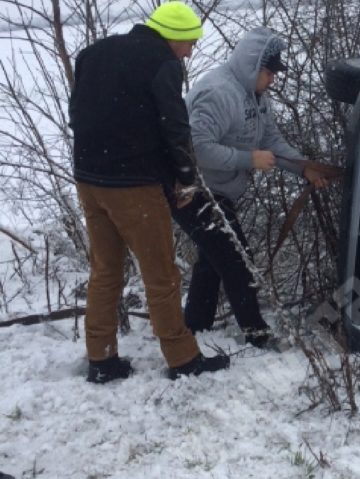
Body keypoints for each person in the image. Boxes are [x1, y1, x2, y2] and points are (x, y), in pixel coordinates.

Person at [69, 1, 230, 382]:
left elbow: (77, 114)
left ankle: (101, 358)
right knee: (162, 274)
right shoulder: (163, 63)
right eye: (189, 43)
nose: (190, 52)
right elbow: (176, 127)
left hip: (89, 179)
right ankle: (182, 359)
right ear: (172, 36)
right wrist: (186, 177)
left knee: (105, 271)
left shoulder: (93, 53)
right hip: (133, 187)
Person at [169, 27, 328, 348]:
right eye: (269, 72)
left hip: (217, 192)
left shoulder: (255, 97)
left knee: (214, 260)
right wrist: (248, 158)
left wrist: (305, 169)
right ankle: (257, 335)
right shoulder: (218, 93)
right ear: (253, 66)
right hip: (191, 190)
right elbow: (195, 148)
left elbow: (272, 141)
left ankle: (196, 326)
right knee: (236, 259)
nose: (273, 79)